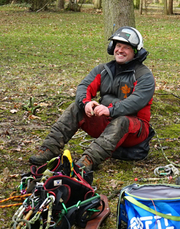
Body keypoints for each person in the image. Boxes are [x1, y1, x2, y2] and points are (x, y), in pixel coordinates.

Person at [31, 26, 155, 172]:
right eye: (118, 46)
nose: (120, 50)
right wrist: (86, 103)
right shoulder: (102, 70)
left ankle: (88, 160)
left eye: (126, 47)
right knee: (76, 107)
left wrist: (110, 110)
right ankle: (49, 148)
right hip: (106, 123)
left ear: (136, 52)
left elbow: (137, 101)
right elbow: (84, 87)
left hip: (135, 130)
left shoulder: (144, 76)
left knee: (122, 121)